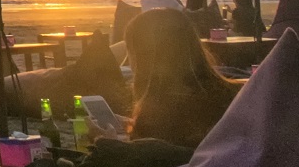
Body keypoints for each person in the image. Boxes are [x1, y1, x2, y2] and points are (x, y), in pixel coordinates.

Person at [90, 8, 241, 149]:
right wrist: (133, 125)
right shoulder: (233, 95)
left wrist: (109, 144)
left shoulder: (158, 113)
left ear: (143, 57)